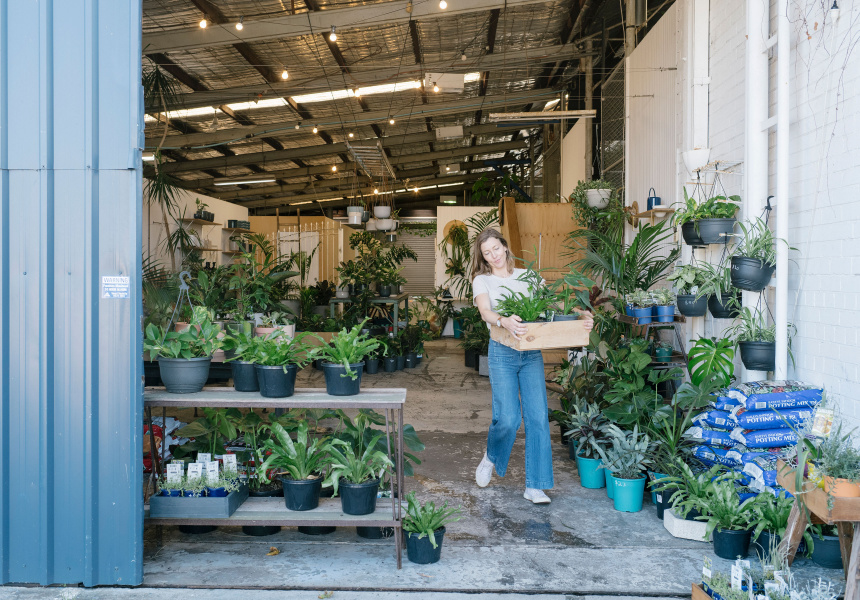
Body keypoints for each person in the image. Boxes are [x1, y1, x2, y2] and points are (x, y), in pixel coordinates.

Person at [471, 228, 594, 504]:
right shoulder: (482, 280)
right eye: (487, 253)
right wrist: (503, 320)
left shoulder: (528, 276)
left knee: (538, 418)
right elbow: (485, 311)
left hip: (530, 352)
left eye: (496, 248)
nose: (493, 255)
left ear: (505, 246)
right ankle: (491, 455)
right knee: (509, 418)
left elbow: (553, 304)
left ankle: (535, 486)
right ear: (483, 257)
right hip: (502, 352)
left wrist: (580, 315)